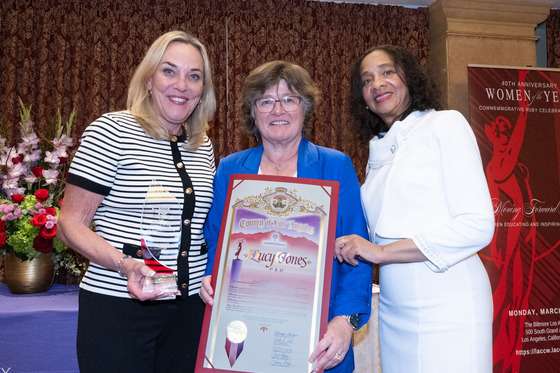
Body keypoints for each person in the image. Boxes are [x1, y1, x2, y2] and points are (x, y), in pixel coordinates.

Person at [58, 30, 216, 373]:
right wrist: (125, 265)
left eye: (194, 76)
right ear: (148, 78)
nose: (182, 85)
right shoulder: (111, 131)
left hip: (189, 312)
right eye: (169, 71)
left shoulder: (202, 146)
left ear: (203, 89)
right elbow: (70, 223)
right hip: (119, 307)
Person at [199, 60, 372, 372]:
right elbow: (215, 241)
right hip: (242, 336)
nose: (277, 110)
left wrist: (345, 322)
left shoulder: (335, 167)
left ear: (304, 108)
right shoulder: (230, 170)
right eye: (265, 101)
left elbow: (356, 251)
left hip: (318, 339)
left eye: (289, 99)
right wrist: (210, 280)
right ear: (253, 112)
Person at [335, 45, 495, 373]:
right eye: (366, 80)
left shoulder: (446, 125)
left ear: (409, 77)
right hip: (395, 309)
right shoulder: (378, 150)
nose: (377, 84)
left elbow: (477, 225)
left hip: (450, 304)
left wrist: (380, 252)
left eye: (387, 72)